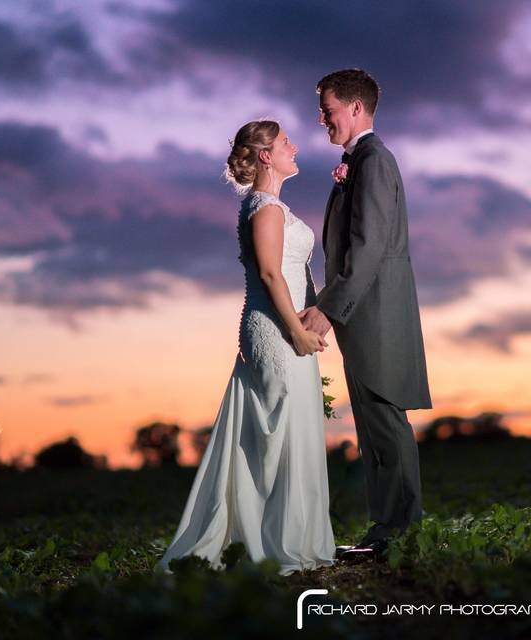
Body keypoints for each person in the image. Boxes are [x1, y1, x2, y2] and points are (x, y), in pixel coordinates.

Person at [156, 119, 336, 576]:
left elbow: (294, 273)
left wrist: (315, 316)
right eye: (285, 143)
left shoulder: (272, 206)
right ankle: (268, 543)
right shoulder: (266, 209)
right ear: (265, 157)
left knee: (286, 432)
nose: (294, 147)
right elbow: (271, 275)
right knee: (274, 438)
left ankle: (282, 536)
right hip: (274, 333)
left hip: (287, 326)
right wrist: (296, 331)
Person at [299, 69, 432, 561]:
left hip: (376, 313)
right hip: (366, 315)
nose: (322, 118)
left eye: (328, 109)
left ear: (355, 108)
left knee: (385, 422)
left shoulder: (373, 161)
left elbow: (369, 247)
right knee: (374, 426)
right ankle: (388, 529)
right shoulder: (360, 161)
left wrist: (328, 310)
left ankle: (399, 532)